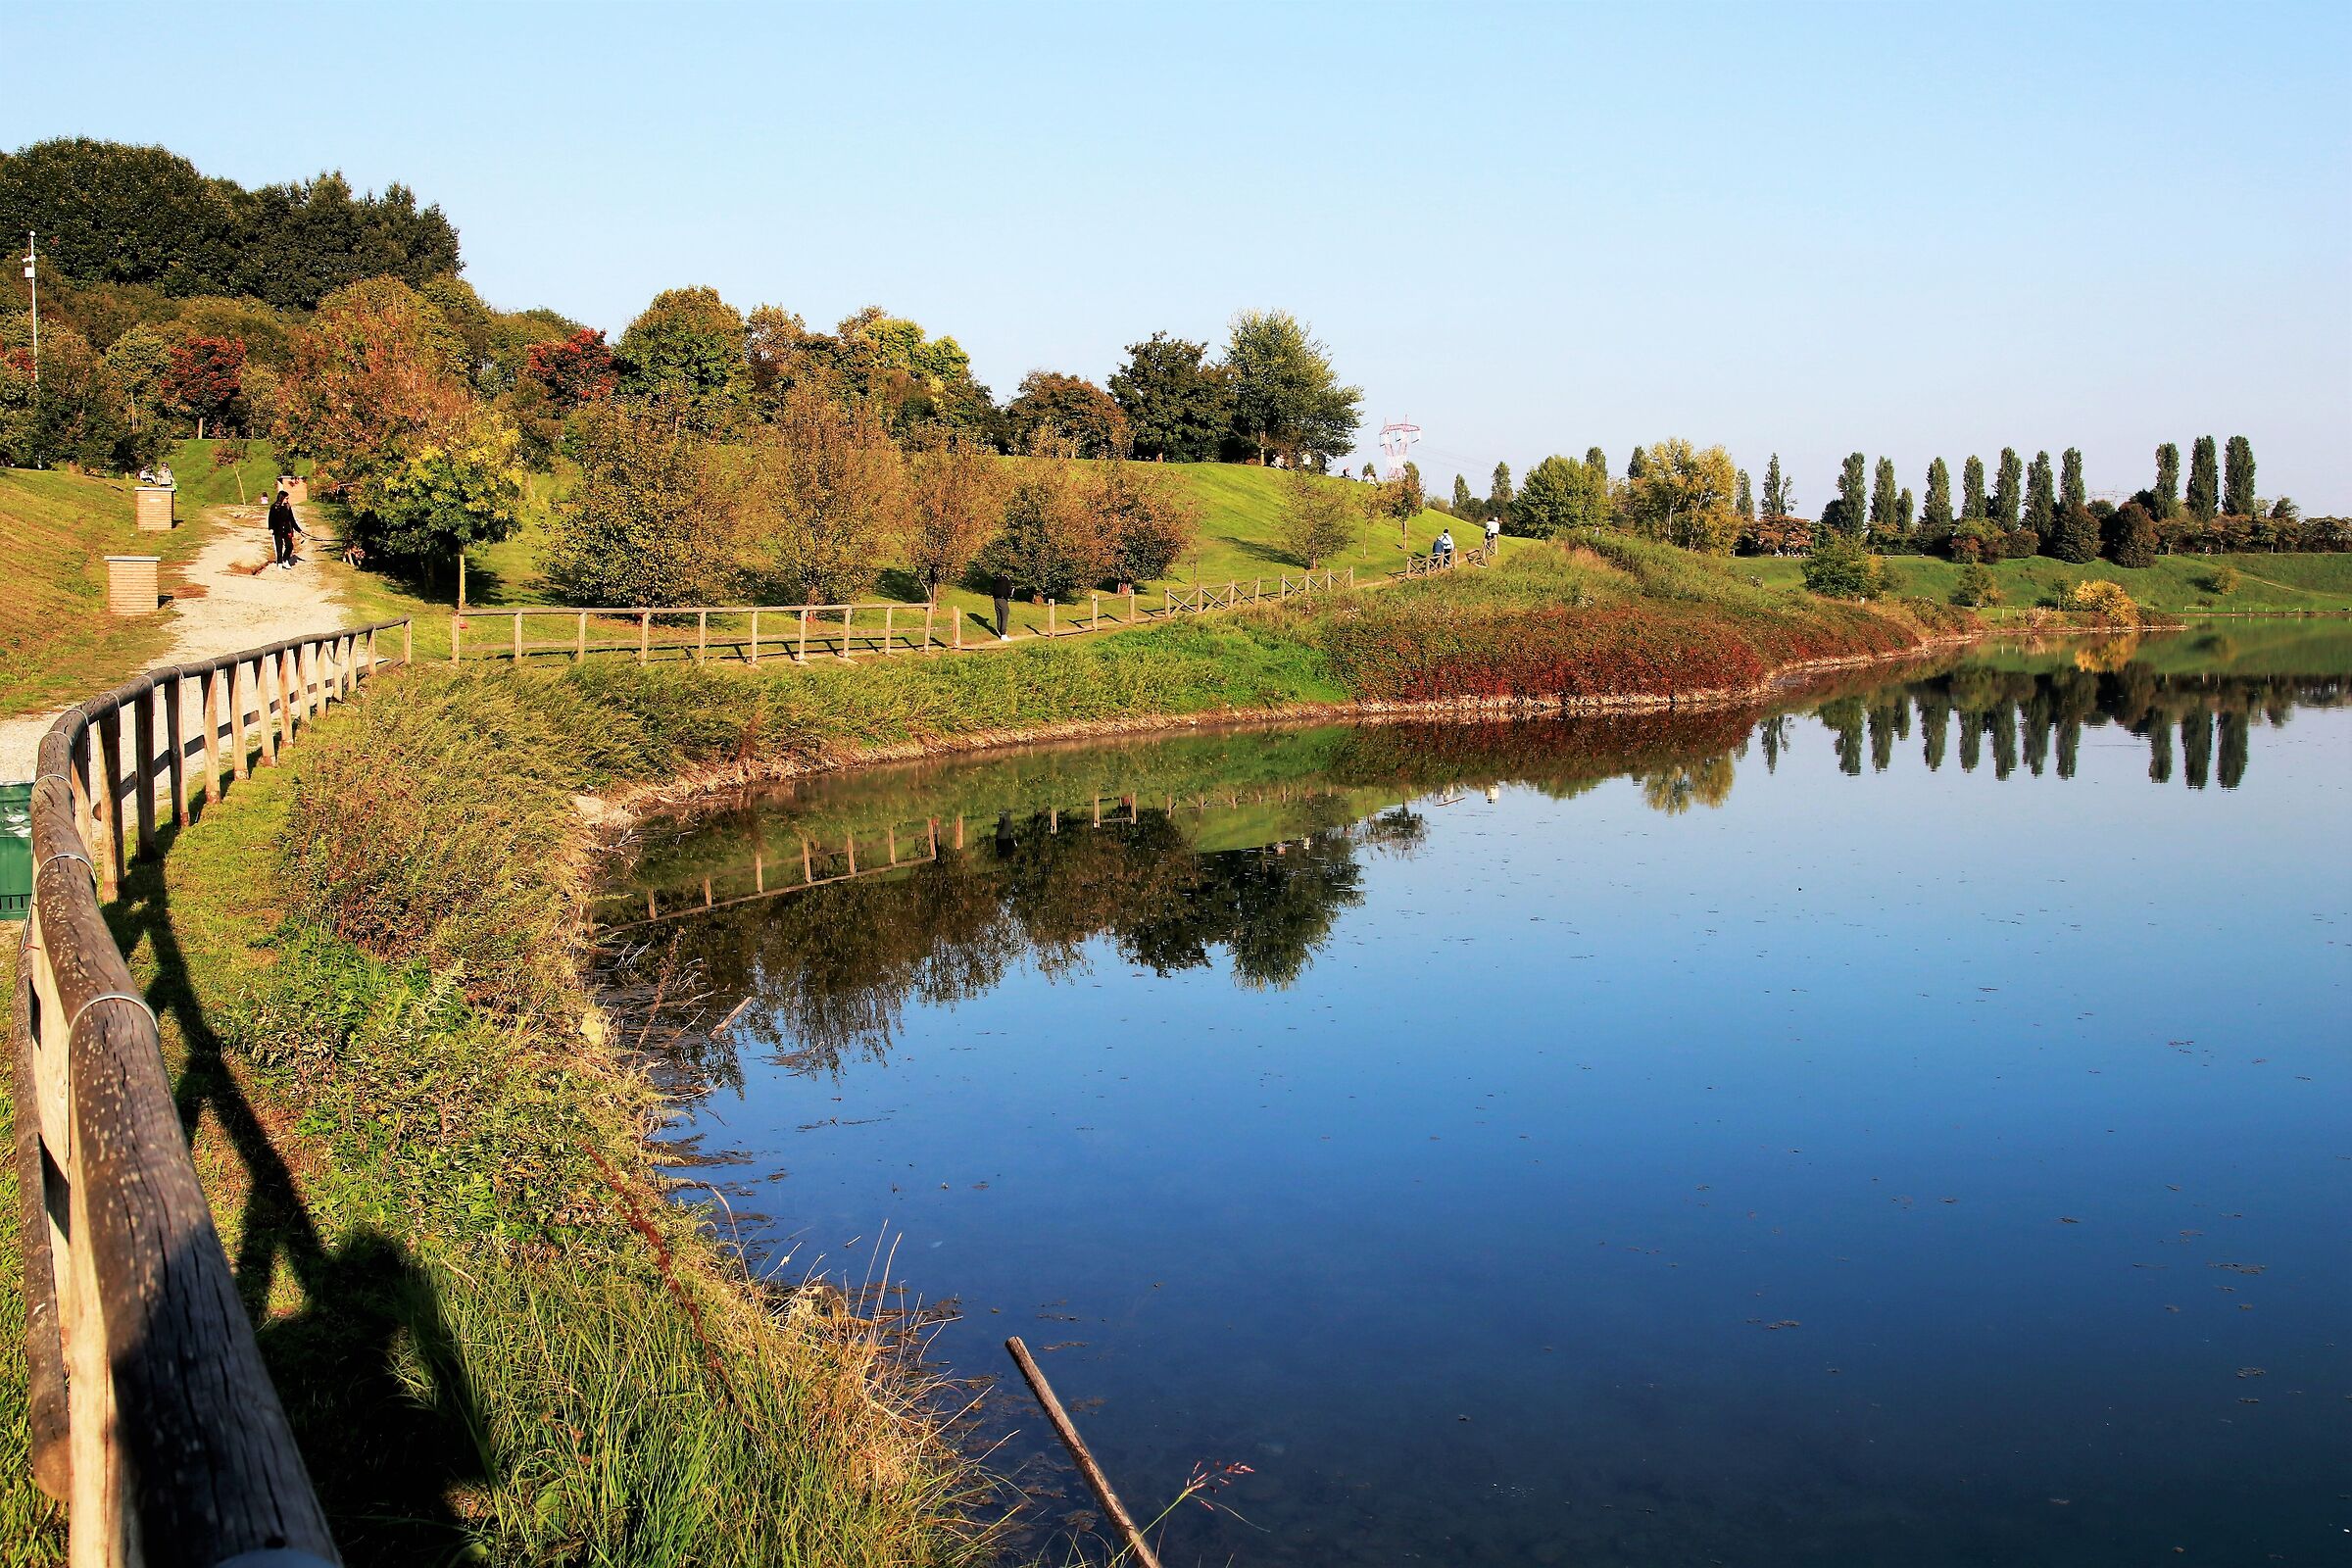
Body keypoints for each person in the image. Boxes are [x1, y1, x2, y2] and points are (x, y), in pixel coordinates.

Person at [267, 487, 303, 569]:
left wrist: (299, 530)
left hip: (287, 530)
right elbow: (270, 518)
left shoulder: (288, 507)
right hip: (277, 530)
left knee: (289, 546)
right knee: (279, 547)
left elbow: (292, 519)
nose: (287, 500)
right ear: (282, 498)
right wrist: (270, 528)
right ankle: (279, 563)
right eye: (286, 498)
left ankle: (285, 559)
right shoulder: (274, 507)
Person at [991, 572, 1013, 640]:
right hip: (1003, 599)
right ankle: (1003, 634)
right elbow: (1009, 591)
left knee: (999, 617)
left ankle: (1000, 631)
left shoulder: (996, 580)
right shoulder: (1007, 580)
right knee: (1004, 616)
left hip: (996, 600)